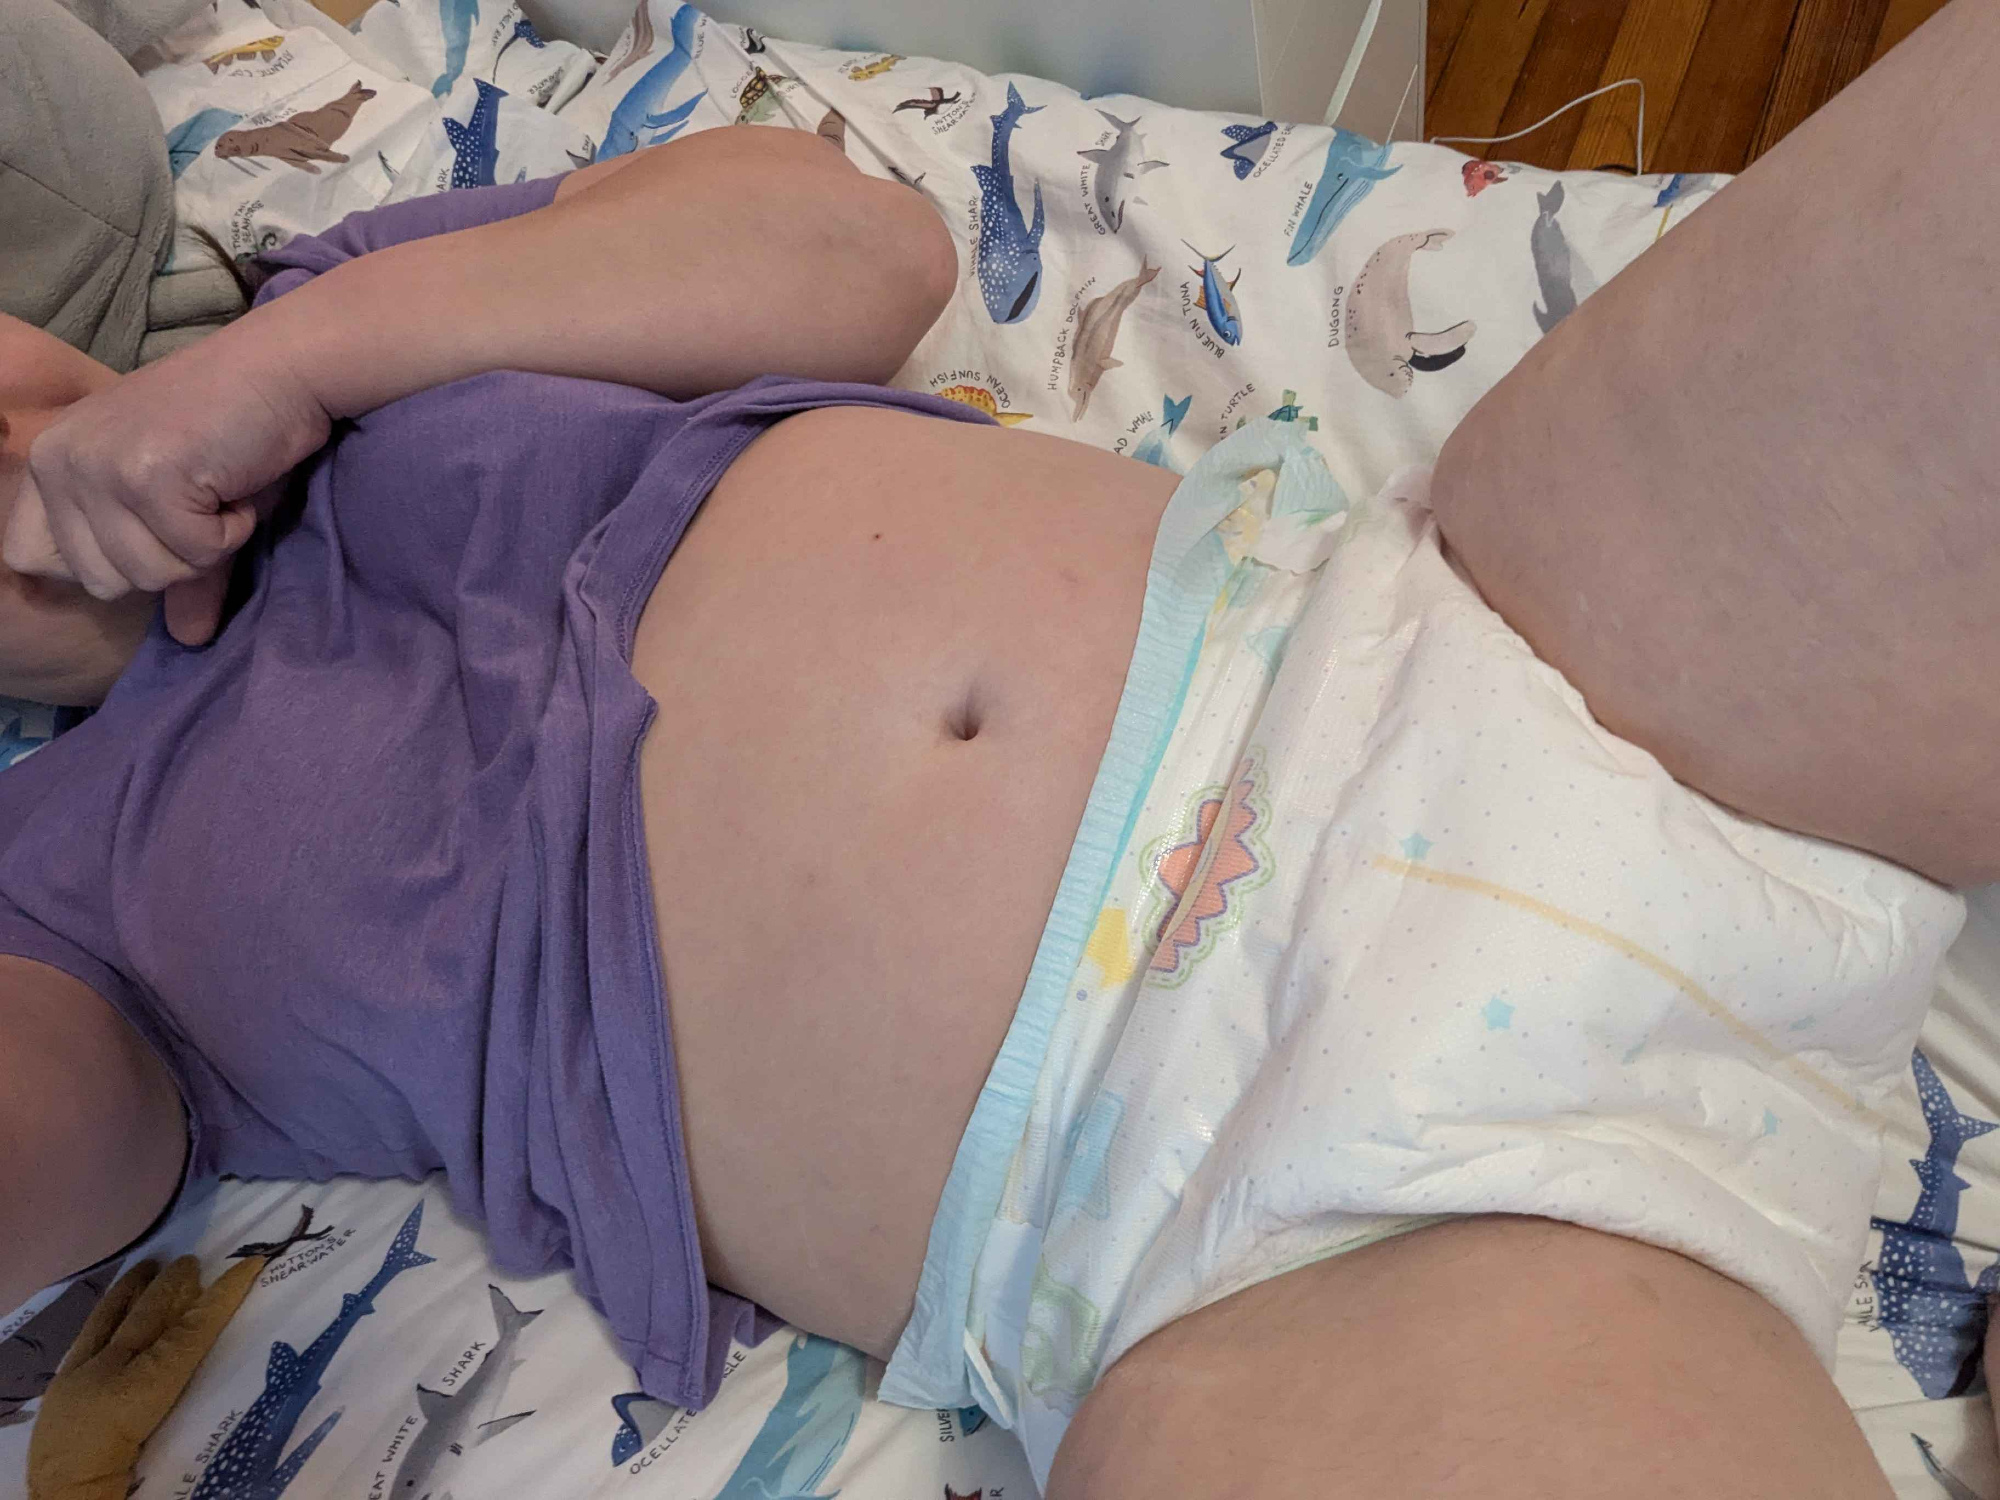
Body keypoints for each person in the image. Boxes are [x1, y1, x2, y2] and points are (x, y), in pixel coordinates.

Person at [1, 2, 1995, 1495]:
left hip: (1496, 661)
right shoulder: (64, 906)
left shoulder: (364, 304)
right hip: (1236, 1224)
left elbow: (856, 250)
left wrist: (290, 361)